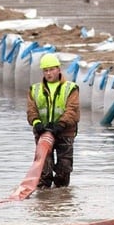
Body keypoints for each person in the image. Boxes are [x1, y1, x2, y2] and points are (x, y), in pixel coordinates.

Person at [26, 52, 79, 188]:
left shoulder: (70, 88)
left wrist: (60, 125)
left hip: (64, 133)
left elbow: (72, 110)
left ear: (58, 69)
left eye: (51, 70)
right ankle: (45, 200)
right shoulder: (35, 89)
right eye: (46, 70)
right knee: (44, 170)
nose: (48, 73)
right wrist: (37, 123)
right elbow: (31, 110)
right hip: (43, 134)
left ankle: (61, 197)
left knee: (64, 169)